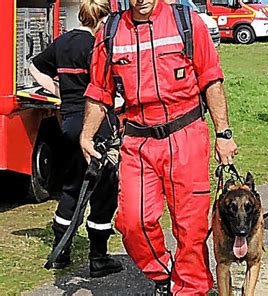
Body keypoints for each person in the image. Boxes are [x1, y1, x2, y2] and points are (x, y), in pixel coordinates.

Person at [79, 0, 238, 294]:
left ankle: (192, 289)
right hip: (138, 141)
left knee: (190, 228)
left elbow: (211, 78)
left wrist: (224, 133)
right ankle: (164, 274)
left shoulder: (187, 22)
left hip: (187, 134)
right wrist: (86, 135)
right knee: (132, 222)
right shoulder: (111, 32)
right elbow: (100, 89)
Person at [29, 0, 123, 277]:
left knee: (71, 186)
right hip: (96, 125)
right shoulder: (98, 46)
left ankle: (61, 251)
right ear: (102, 19)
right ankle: (98, 257)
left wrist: (59, 91)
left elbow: (34, 67)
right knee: (104, 191)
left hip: (68, 123)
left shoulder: (63, 42)